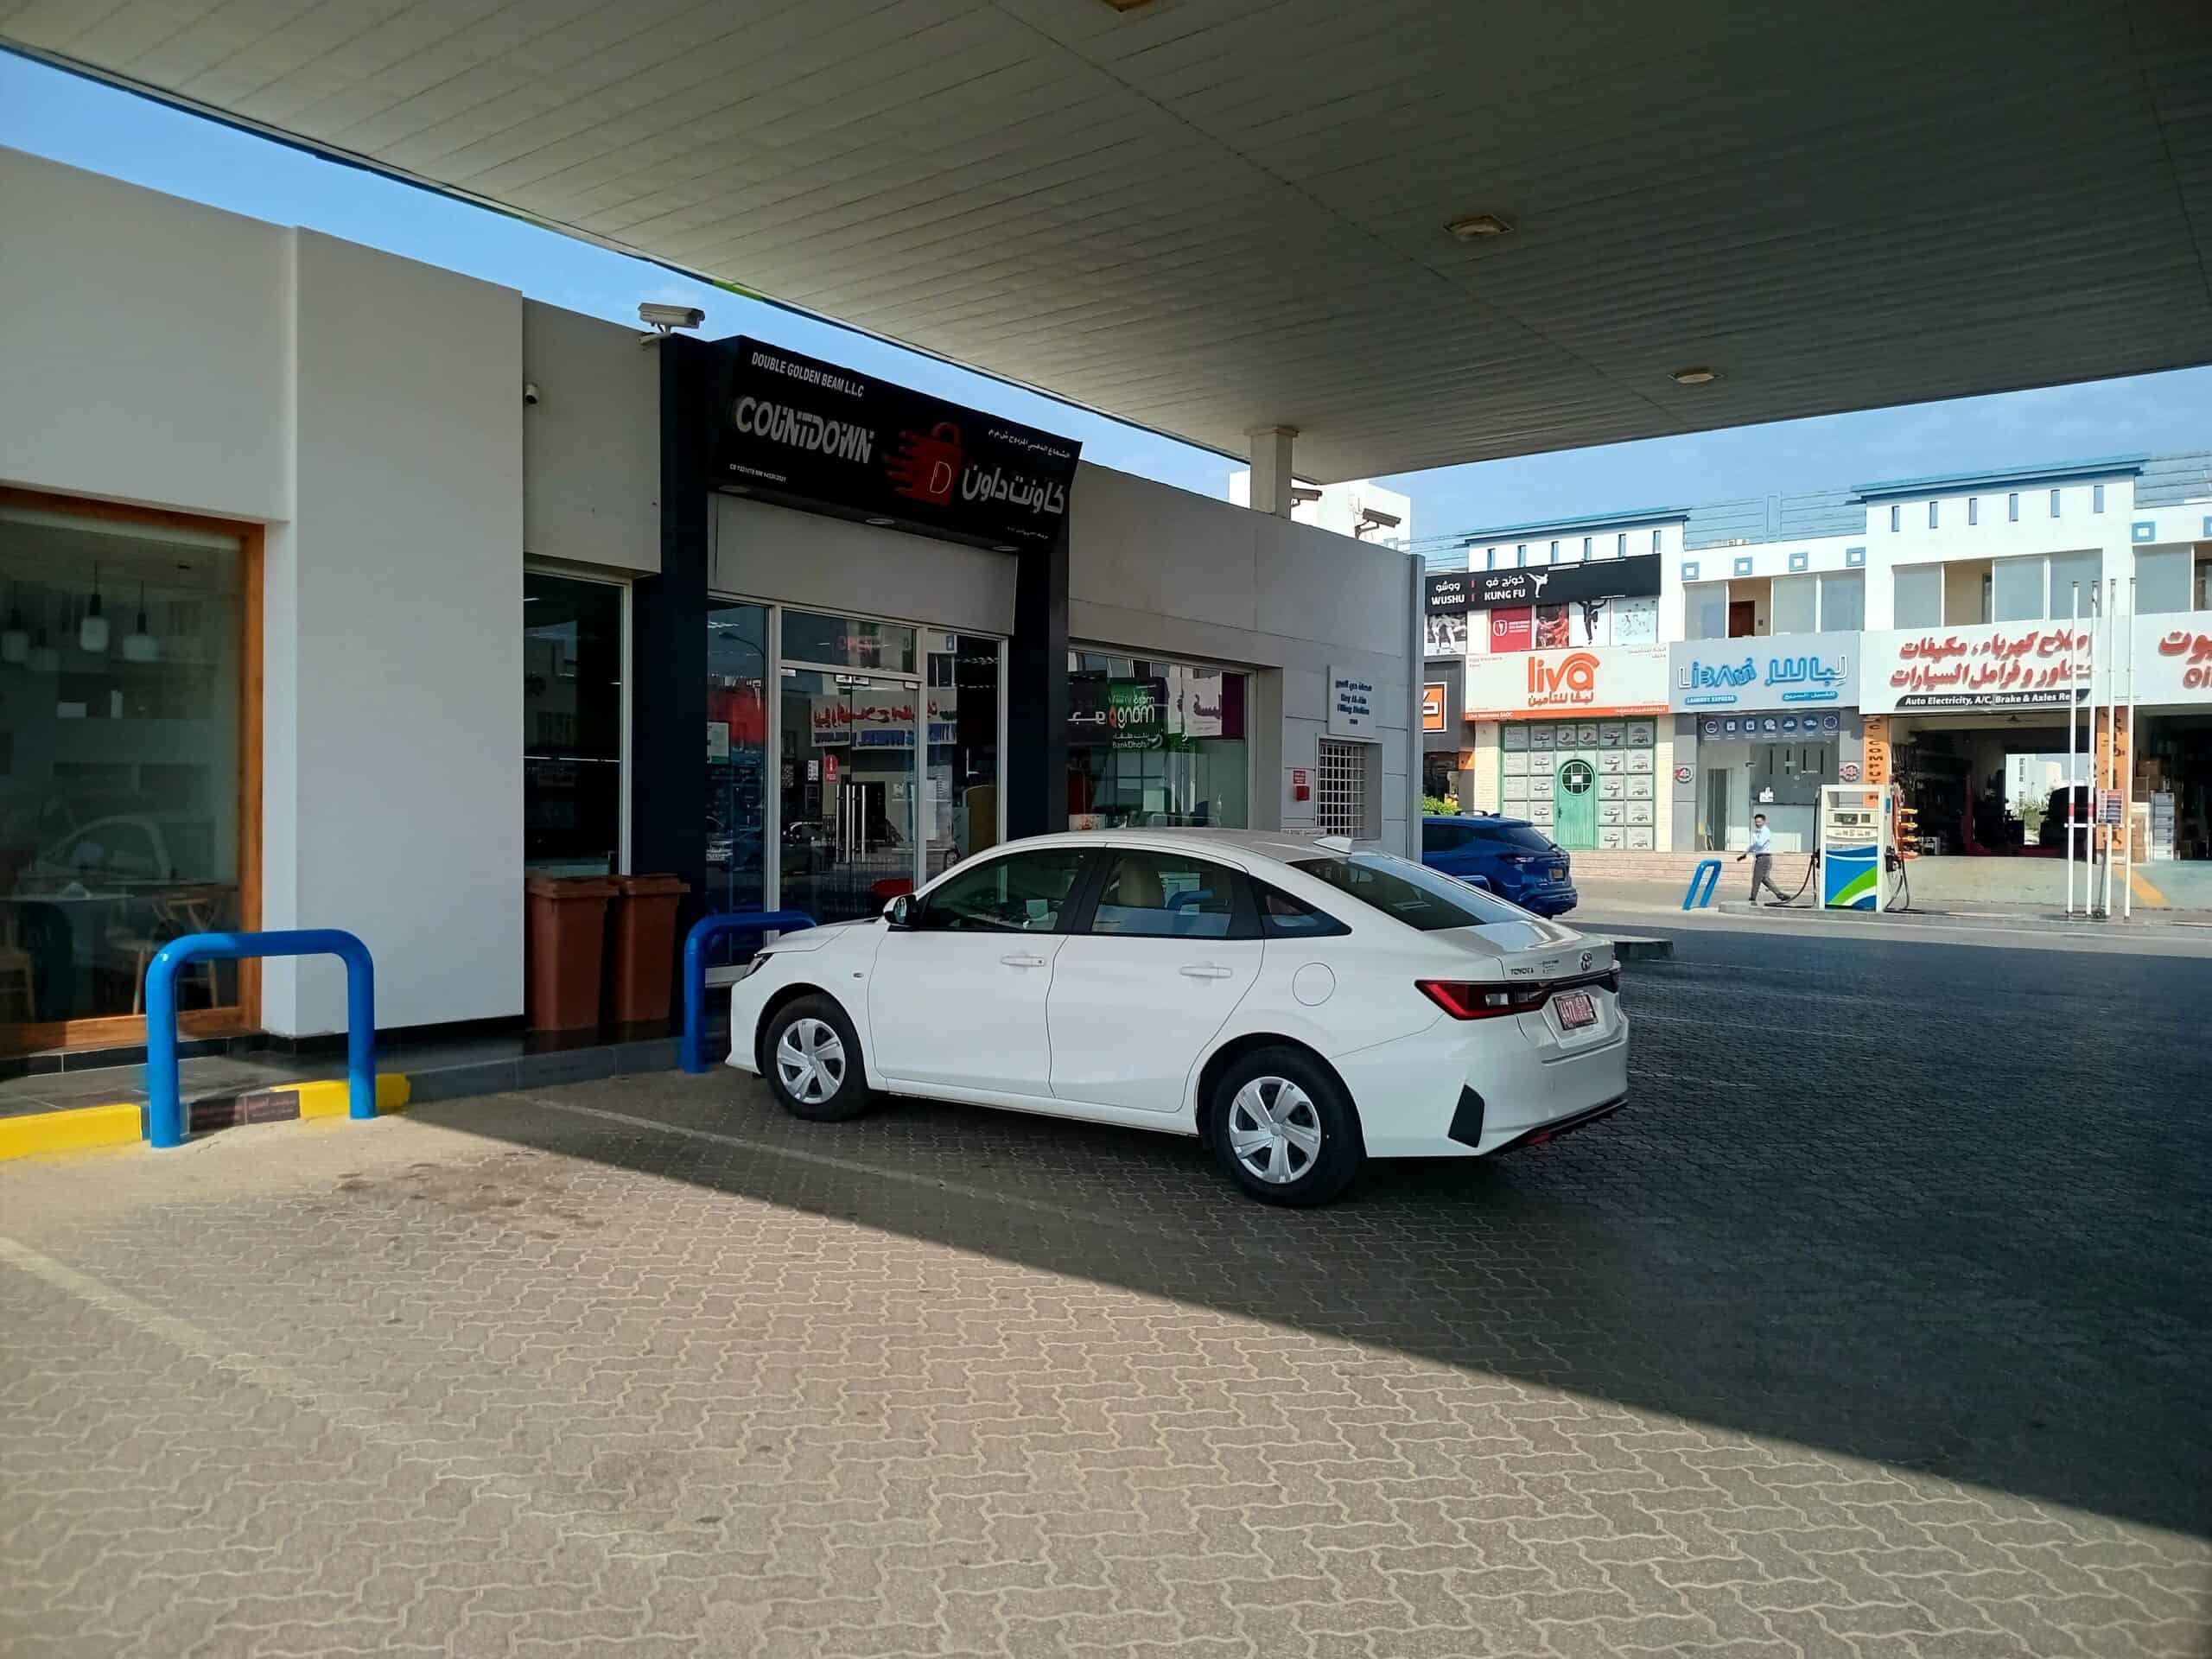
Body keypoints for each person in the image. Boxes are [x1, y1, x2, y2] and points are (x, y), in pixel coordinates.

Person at [1738, 812, 1791, 905]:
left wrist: (1752, 847)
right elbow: (1753, 845)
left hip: (1764, 857)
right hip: (1762, 857)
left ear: (1764, 822)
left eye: (1759, 822)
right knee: (1764, 879)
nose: (1757, 824)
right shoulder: (1757, 832)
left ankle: (1753, 898)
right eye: (1756, 822)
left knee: (1756, 878)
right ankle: (1780, 894)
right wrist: (1746, 853)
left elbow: (1759, 844)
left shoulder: (1765, 831)